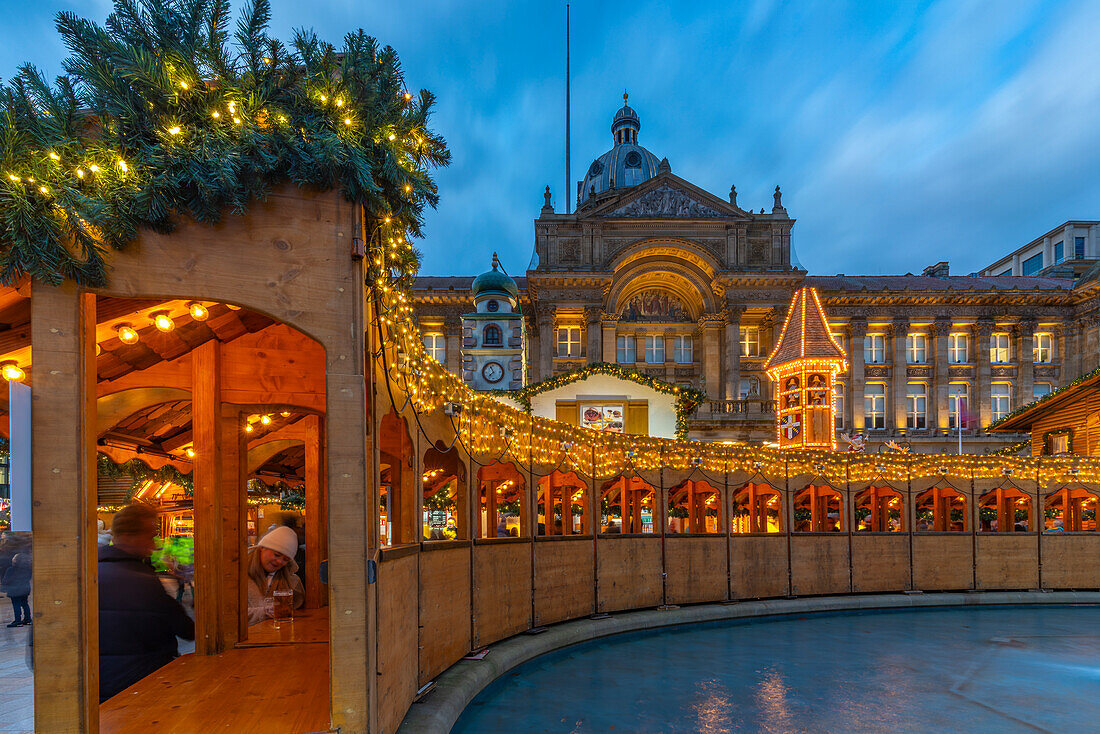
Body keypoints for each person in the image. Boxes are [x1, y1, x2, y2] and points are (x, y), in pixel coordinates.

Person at [99, 504, 194, 703]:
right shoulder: (143, 581)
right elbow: (187, 629)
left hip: (99, 690)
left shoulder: (87, 573)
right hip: (141, 688)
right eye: (150, 536)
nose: (155, 544)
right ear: (130, 537)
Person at [245, 526, 304, 626]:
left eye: (285, 559)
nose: (280, 561)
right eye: (277, 555)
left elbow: (298, 611)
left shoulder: (292, 582)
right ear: (262, 548)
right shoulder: (237, 576)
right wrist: (264, 612)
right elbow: (229, 614)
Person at [2, 551, 31, 627]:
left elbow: (6, 580)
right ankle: (28, 619)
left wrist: (4, 585)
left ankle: (18, 621)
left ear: (15, 561)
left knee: (16, 605)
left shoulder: (11, 570)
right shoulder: (28, 569)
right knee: (25, 604)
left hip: (15, 590)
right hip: (25, 589)